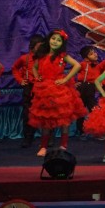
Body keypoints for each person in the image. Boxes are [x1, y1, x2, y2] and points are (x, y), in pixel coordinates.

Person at [29, 29, 87, 157]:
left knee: (63, 119)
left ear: (62, 43)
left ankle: (63, 145)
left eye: (59, 40)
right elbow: (34, 67)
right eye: (53, 38)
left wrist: (66, 79)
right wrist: (37, 76)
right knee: (46, 119)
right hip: (44, 91)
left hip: (60, 90)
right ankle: (43, 146)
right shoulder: (42, 54)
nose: (55, 42)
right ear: (49, 39)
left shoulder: (63, 56)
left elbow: (77, 65)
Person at [11, 34, 44, 148]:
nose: (41, 49)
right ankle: (28, 137)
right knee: (28, 113)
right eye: (39, 46)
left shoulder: (44, 58)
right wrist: (20, 80)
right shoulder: (24, 58)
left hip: (41, 87)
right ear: (32, 47)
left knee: (45, 113)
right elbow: (14, 68)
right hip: (29, 88)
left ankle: (48, 138)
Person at [75, 45, 100, 139]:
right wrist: (74, 83)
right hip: (82, 88)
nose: (95, 54)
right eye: (91, 54)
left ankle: (97, 130)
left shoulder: (98, 66)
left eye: (95, 52)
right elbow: (72, 73)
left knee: (94, 109)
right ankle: (80, 131)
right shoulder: (82, 64)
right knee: (81, 110)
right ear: (86, 58)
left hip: (91, 89)